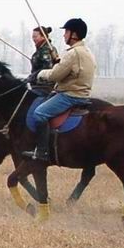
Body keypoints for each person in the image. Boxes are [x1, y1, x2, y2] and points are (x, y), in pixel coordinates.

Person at [23, 18, 96, 162]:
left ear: (73, 34)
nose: (64, 35)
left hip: (70, 95)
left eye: (66, 32)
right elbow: (69, 71)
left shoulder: (73, 53)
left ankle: (42, 152)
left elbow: (54, 76)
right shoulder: (86, 51)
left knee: (39, 113)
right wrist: (59, 64)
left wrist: (38, 74)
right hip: (82, 93)